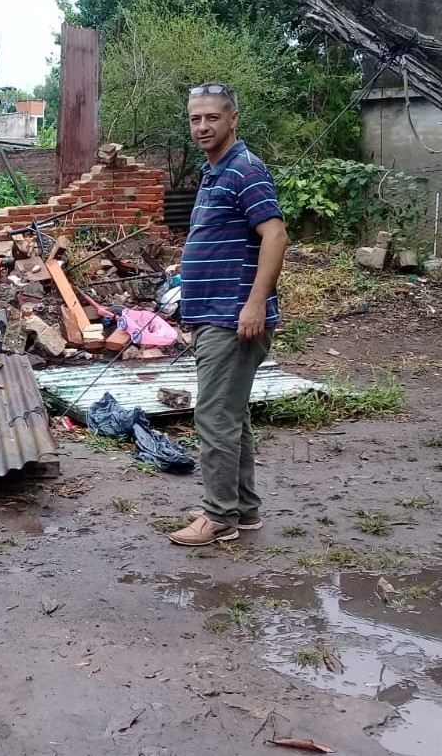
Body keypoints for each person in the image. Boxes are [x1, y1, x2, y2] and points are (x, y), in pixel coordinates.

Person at [168, 82, 289, 547]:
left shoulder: (245, 170)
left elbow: (275, 237)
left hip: (232, 317)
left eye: (211, 118)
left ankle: (219, 516)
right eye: (196, 119)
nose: (202, 126)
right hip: (211, 315)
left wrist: (255, 302)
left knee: (214, 416)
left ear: (232, 119)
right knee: (231, 417)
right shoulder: (213, 172)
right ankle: (243, 509)